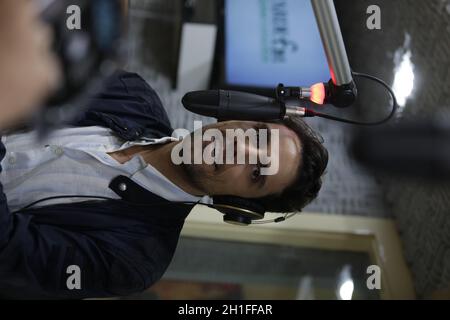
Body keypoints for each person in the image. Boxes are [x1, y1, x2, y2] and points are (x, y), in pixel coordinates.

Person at [0, 70, 328, 299]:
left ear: (239, 203)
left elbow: (9, 250)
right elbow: (25, 71)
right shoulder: (130, 93)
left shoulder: (135, 259)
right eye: (257, 134)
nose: (239, 148)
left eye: (256, 172)